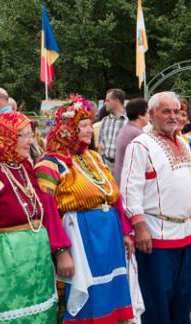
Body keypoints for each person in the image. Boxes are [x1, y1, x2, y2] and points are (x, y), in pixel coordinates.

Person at [35, 95, 134, 323]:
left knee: (109, 295)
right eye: (82, 125)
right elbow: (47, 211)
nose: (89, 130)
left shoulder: (94, 157)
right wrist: (60, 251)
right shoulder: (50, 163)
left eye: (90, 124)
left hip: (108, 239)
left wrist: (126, 232)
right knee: (86, 298)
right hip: (81, 240)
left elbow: (113, 196)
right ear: (67, 129)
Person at [120, 91, 191, 324]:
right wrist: (139, 226)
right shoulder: (140, 145)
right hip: (156, 234)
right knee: (157, 302)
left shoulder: (184, 143)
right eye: (166, 111)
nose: (173, 116)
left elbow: (190, 183)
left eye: (177, 111)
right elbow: (129, 190)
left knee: (182, 299)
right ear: (151, 114)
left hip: (184, 234)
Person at [0, 112, 70, 323]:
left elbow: (45, 207)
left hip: (36, 261)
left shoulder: (23, 167)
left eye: (30, 135)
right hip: (4, 263)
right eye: (23, 135)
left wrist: (59, 249)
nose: (30, 140)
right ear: (6, 138)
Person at [113, 98, 148, 185]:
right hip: (129, 182)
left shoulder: (126, 129)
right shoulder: (137, 133)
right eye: (147, 112)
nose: (149, 115)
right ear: (140, 114)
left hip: (120, 178)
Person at [98, 88, 127, 169]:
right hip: (106, 164)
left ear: (117, 101)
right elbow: (100, 145)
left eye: (108, 100)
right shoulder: (105, 120)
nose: (105, 103)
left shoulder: (129, 121)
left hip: (122, 165)